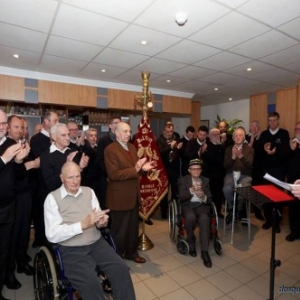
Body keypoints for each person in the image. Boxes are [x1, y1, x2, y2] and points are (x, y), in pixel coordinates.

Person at [44, 162, 136, 300]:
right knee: (91, 283)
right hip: (71, 249)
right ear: (62, 178)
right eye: (70, 177)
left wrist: (101, 222)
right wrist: (81, 225)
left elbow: (98, 215)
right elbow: (52, 234)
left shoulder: (89, 191)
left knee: (121, 269)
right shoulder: (52, 199)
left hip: (96, 243)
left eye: (78, 176)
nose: (75, 181)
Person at [104, 122, 154, 263]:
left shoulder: (132, 147)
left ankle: (131, 253)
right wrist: (137, 169)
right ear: (116, 132)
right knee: (119, 231)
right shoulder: (110, 149)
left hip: (133, 195)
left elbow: (136, 168)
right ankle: (117, 260)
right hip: (119, 197)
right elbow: (114, 175)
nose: (128, 134)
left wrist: (143, 168)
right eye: (125, 131)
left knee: (132, 229)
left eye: (129, 131)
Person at [0, 109, 28, 300]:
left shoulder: (11, 144)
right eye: (0, 124)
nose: (2, 128)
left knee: (4, 250)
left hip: (8, 206)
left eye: (3, 124)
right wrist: (4, 159)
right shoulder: (6, 150)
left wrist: (18, 161)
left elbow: (19, 177)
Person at [257, 112, 290, 233]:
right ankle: (268, 220)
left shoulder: (284, 133)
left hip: (279, 171)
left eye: (274, 120)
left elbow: (287, 152)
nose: (272, 122)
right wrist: (264, 150)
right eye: (270, 120)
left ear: (278, 120)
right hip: (266, 170)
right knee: (266, 196)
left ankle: (277, 222)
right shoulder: (264, 134)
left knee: (277, 196)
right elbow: (259, 152)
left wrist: (275, 152)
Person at [30, 110, 58, 247]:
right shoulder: (37, 139)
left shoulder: (56, 139)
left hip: (55, 183)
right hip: (41, 185)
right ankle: (42, 243)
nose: (57, 123)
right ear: (46, 122)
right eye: (55, 121)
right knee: (42, 215)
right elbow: (41, 161)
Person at [178, 159, 212, 268]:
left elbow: (209, 200)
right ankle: (191, 242)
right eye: (194, 169)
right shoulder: (183, 180)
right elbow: (181, 197)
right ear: (189, 170)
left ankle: (205, 251)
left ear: (201, 170)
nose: (196, 171)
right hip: (188, 205)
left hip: (201, 206)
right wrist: (192, 189)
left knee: (204, 218)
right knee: (190, 217)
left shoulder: (205, 181)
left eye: (198, 169)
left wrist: (203, 196)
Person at [223, 127, 253, 224]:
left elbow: (250, 165)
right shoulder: (228, 149)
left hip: (245, 175)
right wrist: (233, 157)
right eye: (236, 135)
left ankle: (239, 211)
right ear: (233, 138)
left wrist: (241, 157)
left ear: (244, 138)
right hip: (231, 174)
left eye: (240, 135)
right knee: (226, 188)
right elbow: (225, 165)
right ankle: (233, 210)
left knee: (242, 190)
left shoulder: (249, 149)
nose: (238, 137)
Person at [157, 122, 183, 219]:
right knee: (164, 191)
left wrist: (179, 148)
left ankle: (174, 210)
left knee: (175, 190)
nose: (169, 133)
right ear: (164, 131)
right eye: (167, 131)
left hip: (174, 168)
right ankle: (164, 212)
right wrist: (170, 147)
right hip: (164, 169)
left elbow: (179, 154)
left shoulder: (176, 139)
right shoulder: (159, 140)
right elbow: (159, 153)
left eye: (171, 131)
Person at [96, 115, 121, 209]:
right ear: (110, 126)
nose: (118, 125)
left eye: (120, 123)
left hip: (120, 176)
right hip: (107, 177)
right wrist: (109, 172)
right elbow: (99, 159)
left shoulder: (123, 140)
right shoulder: (104, 140)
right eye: (116, 123)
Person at [201, 128, 226, 218]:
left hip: (219, 175)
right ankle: (210, 211)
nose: (215, 136)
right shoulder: (207, 145)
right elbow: (208, 159)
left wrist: (219, 145)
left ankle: (218, 212)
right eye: (213, 135)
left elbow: (222, 160)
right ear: (210, 136)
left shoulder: (222, 146)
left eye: (217, 134)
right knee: (209, 194)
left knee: (218, 194)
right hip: (209, 175)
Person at [245, 121, 264, 221]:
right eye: (252, 126)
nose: (254, 128)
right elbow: (247, 151)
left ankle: (258, 211)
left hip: (259, 168)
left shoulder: (262, 137)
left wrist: (258, 138)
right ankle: (250, 210)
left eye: (256, 126)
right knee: (250, 189)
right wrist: (252, 139)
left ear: (258, 127)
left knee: (259, 190)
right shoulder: (247, 138)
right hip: (249, 168)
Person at [285, 122, 300, 242]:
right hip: (292, 181)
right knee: (293, 207)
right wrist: (291, 150)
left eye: (299, 129)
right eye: (296, 129)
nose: (297, 131)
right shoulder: (291, 143)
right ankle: (294, 231)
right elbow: (285, 161)